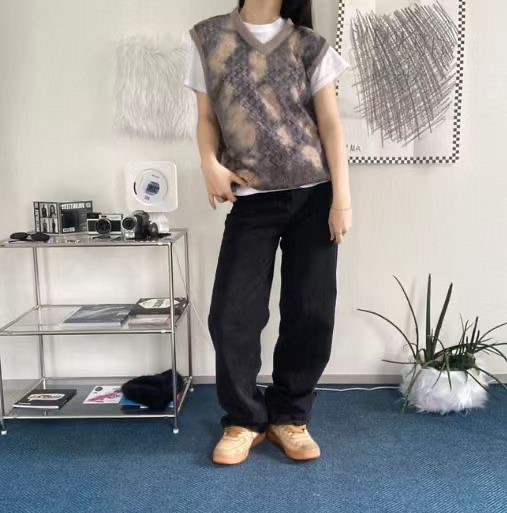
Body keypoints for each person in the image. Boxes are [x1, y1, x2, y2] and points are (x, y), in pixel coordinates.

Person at [184, 0, 352, 465]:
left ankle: (290, 417)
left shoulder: (309, 45)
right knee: (231, 315)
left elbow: (331, 124)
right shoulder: (208, 38)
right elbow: (206, 118)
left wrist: (342, 199)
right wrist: (209, 164)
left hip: (314, 195)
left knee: (311, 311)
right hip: (251, 198)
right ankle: (244, 420)